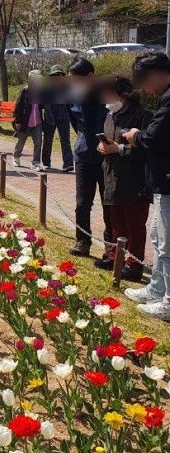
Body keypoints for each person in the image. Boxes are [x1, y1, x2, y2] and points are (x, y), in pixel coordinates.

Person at [123, 52, 170, 320]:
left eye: (145, 79)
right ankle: (157, 289)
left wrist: (135, 135)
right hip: (162, 182)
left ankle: (168, 301)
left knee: (167, 244)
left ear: (158, 73)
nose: (144, 87)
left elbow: (154, 138)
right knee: (158, 238)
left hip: (168, 180)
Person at [95, 75, 152, 281]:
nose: (103, 97)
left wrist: (118, 149)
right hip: (112, 176)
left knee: (134, 225)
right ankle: (114, 258)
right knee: (115, 221)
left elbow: (146, 149)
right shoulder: (111, 114)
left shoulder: (142, 115)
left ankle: (134, 265)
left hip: (134, 180)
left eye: (106, 93)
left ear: (121, 93)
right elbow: (108, 142)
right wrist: (102, 147)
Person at [67, 57, 112, 259]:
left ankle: (110, 246)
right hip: (83, 155)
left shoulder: (107, 94)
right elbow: (75, 122)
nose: (74, 83)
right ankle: (83, 240)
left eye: (77, 79)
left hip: (106, 156)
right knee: (82, 202)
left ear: (90, 77)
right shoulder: (73, 95)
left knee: (108, 203)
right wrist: (83, 141)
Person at [41, 66, 74, 173]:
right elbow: (45, 104)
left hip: (64, 117)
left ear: (62, 76)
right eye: (54, 75)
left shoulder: (68, 87)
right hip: (50, 117)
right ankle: (46, 162)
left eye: (59, 75)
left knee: (65, 141)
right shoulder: (46, 88)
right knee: (47, 140)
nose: (57, 77)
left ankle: (68, 164)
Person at [12, 69, 46, 171]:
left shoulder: (41, 91)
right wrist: (17, 121)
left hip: (37, 121)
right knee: (21, 141)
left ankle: (35, 162)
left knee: (38, 142)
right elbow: (18, 106)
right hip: (25, 121)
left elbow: (42, 106)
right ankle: (16, 157)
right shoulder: (25, 90)